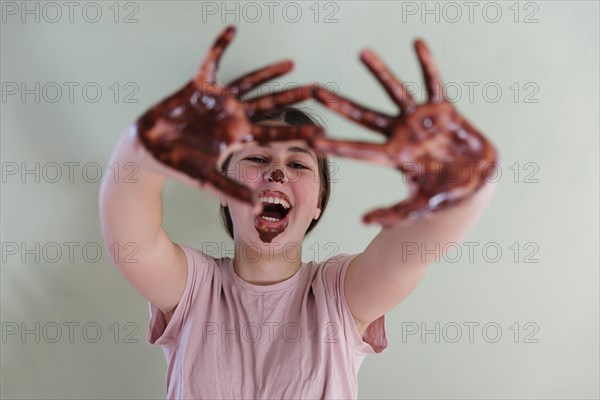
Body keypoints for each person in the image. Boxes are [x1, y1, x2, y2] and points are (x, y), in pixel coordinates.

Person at [99, 26, 498, 399]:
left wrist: (468, 177)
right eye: (257, 157)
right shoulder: (193, 288)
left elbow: (418, 249)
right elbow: (129, 241)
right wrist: (143, 149)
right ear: (222, 189)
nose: (276, 172)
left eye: (299, 165)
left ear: (318, 202)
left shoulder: (339, 294)